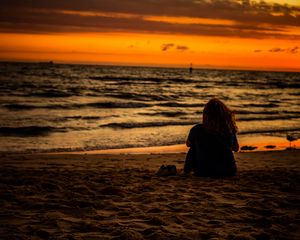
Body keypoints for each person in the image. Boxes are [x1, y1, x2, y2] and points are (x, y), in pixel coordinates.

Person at [184, 98, 239, 177]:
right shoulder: (229, 129)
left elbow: (188, 144)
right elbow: (236, 148)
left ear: (206, 114)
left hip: (204, 171)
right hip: (229, 171)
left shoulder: (197, 129)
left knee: (193, 146)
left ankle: (186, 171)